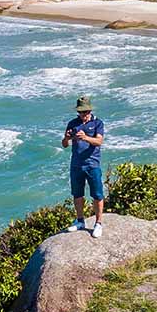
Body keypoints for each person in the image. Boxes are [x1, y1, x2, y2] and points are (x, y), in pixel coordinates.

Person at [61, 95, 106, 238]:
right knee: (77, 194)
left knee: (97, 194)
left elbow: (99, 142)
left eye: (85, 112)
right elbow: (64, 144)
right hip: (76, 165)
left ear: (90, 110)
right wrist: (68, 138)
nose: (82, 115)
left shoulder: (98, 123)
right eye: (80, 112)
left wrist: (85, 137)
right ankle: (80, 220)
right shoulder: (72, 123)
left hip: (92, 164)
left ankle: (98, 223)